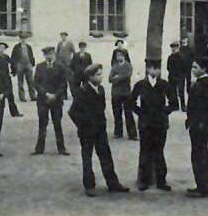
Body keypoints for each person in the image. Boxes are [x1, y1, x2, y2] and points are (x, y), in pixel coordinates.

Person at [68, 64, 130, 197]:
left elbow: (101, 109)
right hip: (87, 132)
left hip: (100, 131)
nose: (101, 77)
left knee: (106, 156)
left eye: (101, 74)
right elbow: (72, 112)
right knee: (87, 158)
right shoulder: (82, 91)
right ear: (90, 77)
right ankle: (89, 185)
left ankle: (113, 183)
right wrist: (83, 125)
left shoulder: (101, 89)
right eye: (98, 75)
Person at [130, 60, 174, 191]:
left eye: (157, 68)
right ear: (148, 69)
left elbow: (174, 103)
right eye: (153, 68)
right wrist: (141, 113)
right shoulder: (141, 85)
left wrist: (163, 112)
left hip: (160, 124)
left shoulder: (164, 84)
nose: (155, 71)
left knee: (159, 152)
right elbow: (130, 102)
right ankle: (143, 180)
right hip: (146, 124)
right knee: (145, 151)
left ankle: (161, 181)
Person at [185, 59, 208, 198]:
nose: (193, 69)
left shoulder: (207, 85)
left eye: (195, 67)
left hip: (201, 126)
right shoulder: (199, 83)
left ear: (204, 69)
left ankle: (203, 187)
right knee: (198, 154)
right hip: (196, 124)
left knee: (200, 155)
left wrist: (202, 122)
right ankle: (201, 185)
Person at [32, 46, 69, 155]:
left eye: (51, 54)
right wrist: (45, 93)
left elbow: (63, 83)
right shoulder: (40, 67)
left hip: (56, 101)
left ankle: (61, 148)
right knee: (42, 124)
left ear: (54, 55)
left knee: (57, 124)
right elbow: (36, 83)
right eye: (47, 54)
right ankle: (39, 149)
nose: (49, 56)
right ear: (44, 55)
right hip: (43, 100)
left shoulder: (60, 67)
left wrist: (55, 95)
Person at [108, 49, 137, 140]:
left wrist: (117, 77)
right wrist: (118, 77)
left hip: (126, 93)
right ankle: (118, 133)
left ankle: (132, 134)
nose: (119, 57)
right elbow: (110, 79)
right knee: (117, 114)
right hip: (116, 93)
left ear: (124, 57)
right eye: (117, 56)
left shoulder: (128, 66)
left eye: (121, 55)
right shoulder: (114, 66)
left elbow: (127, 75)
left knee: (128, 113)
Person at [0, 42, 23, 117]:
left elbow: (12, 64)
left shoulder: (6, 57)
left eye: (3, 48)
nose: (1, 49)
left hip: (6, 79)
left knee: (10, 96)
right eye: (0, 47)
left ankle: (14, 112)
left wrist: (13, 72)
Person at [12, 33, 38, 102]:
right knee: (20, 82)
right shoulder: (16, 47)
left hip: (28, 65)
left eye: (24, 39)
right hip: (20, 65)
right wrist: (14, 67)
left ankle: (33, 96)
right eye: (21, 39)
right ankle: (22, 97)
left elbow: (31, 56)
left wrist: (32, 64)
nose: (23, 40)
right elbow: (13, 58)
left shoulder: (28, 47)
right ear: (19, 39)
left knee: (31, 81)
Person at [166, 42, 187, 111]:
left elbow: (185, 67)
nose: (174, 49)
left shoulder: (182, 56)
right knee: (173, 92)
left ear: (178, 48)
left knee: (181, 91)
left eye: (175, 47)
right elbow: (168, 67)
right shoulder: (170, 57)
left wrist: (182, 75)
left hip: (180, 76)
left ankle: (183, 106)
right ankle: (175, 105)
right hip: (172, 76)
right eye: (173, 48)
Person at [55, 32, 76, 97]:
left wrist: (72, 62)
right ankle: (64, 95)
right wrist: (57, 61)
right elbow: (57, 53)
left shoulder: (70, 43)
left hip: (68, 64)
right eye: (62, 36)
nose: (63, 37)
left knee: (70, 80)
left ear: (66, 36)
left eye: (64, 36)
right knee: (62, 80)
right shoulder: (59, 43)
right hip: (61, 64)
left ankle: (73, 94)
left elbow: (74, 53)